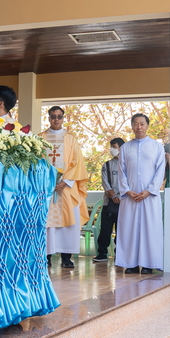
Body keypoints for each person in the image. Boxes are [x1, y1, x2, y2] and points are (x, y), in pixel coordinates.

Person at [115, 113, 165, 274]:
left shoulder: (157, 147)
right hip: (129, 197)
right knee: (129, 229)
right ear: (132, 126)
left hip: (149, 197)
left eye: (142, 124)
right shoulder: (125, 148)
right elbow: (121, 171)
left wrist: (149, 191)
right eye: (136, 124)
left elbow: (160, 171)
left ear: (147, 126)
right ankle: (131, 264)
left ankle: (149, 264)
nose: (139, 127)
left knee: (150, 229)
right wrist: (127, 191)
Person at [39, 106, 88, 269]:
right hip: (47, 188)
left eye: (59, 116)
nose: (56, 119)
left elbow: (77, 163)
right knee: (48, 224)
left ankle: (67, 257)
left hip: (66, 188)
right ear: (48, 118)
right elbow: (37, 162)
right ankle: (47, 256)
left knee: (68, 224)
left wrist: (64, 182)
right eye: (53, 116)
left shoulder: (70, 139)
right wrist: (48, 181)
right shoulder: (41, 137)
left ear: (63, 118)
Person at [93, 138, 124, 263]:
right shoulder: (106, 165)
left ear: (121, 148)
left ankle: (120, 253)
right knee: (105, 228)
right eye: (111, 146)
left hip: (124, 203)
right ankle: (102, 253)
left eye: (114, 146)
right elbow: (105, 182)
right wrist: (113, 196)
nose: (112, 149)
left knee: (122, 230)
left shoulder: (128, 164)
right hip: (108, 203)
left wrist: (122, 198)